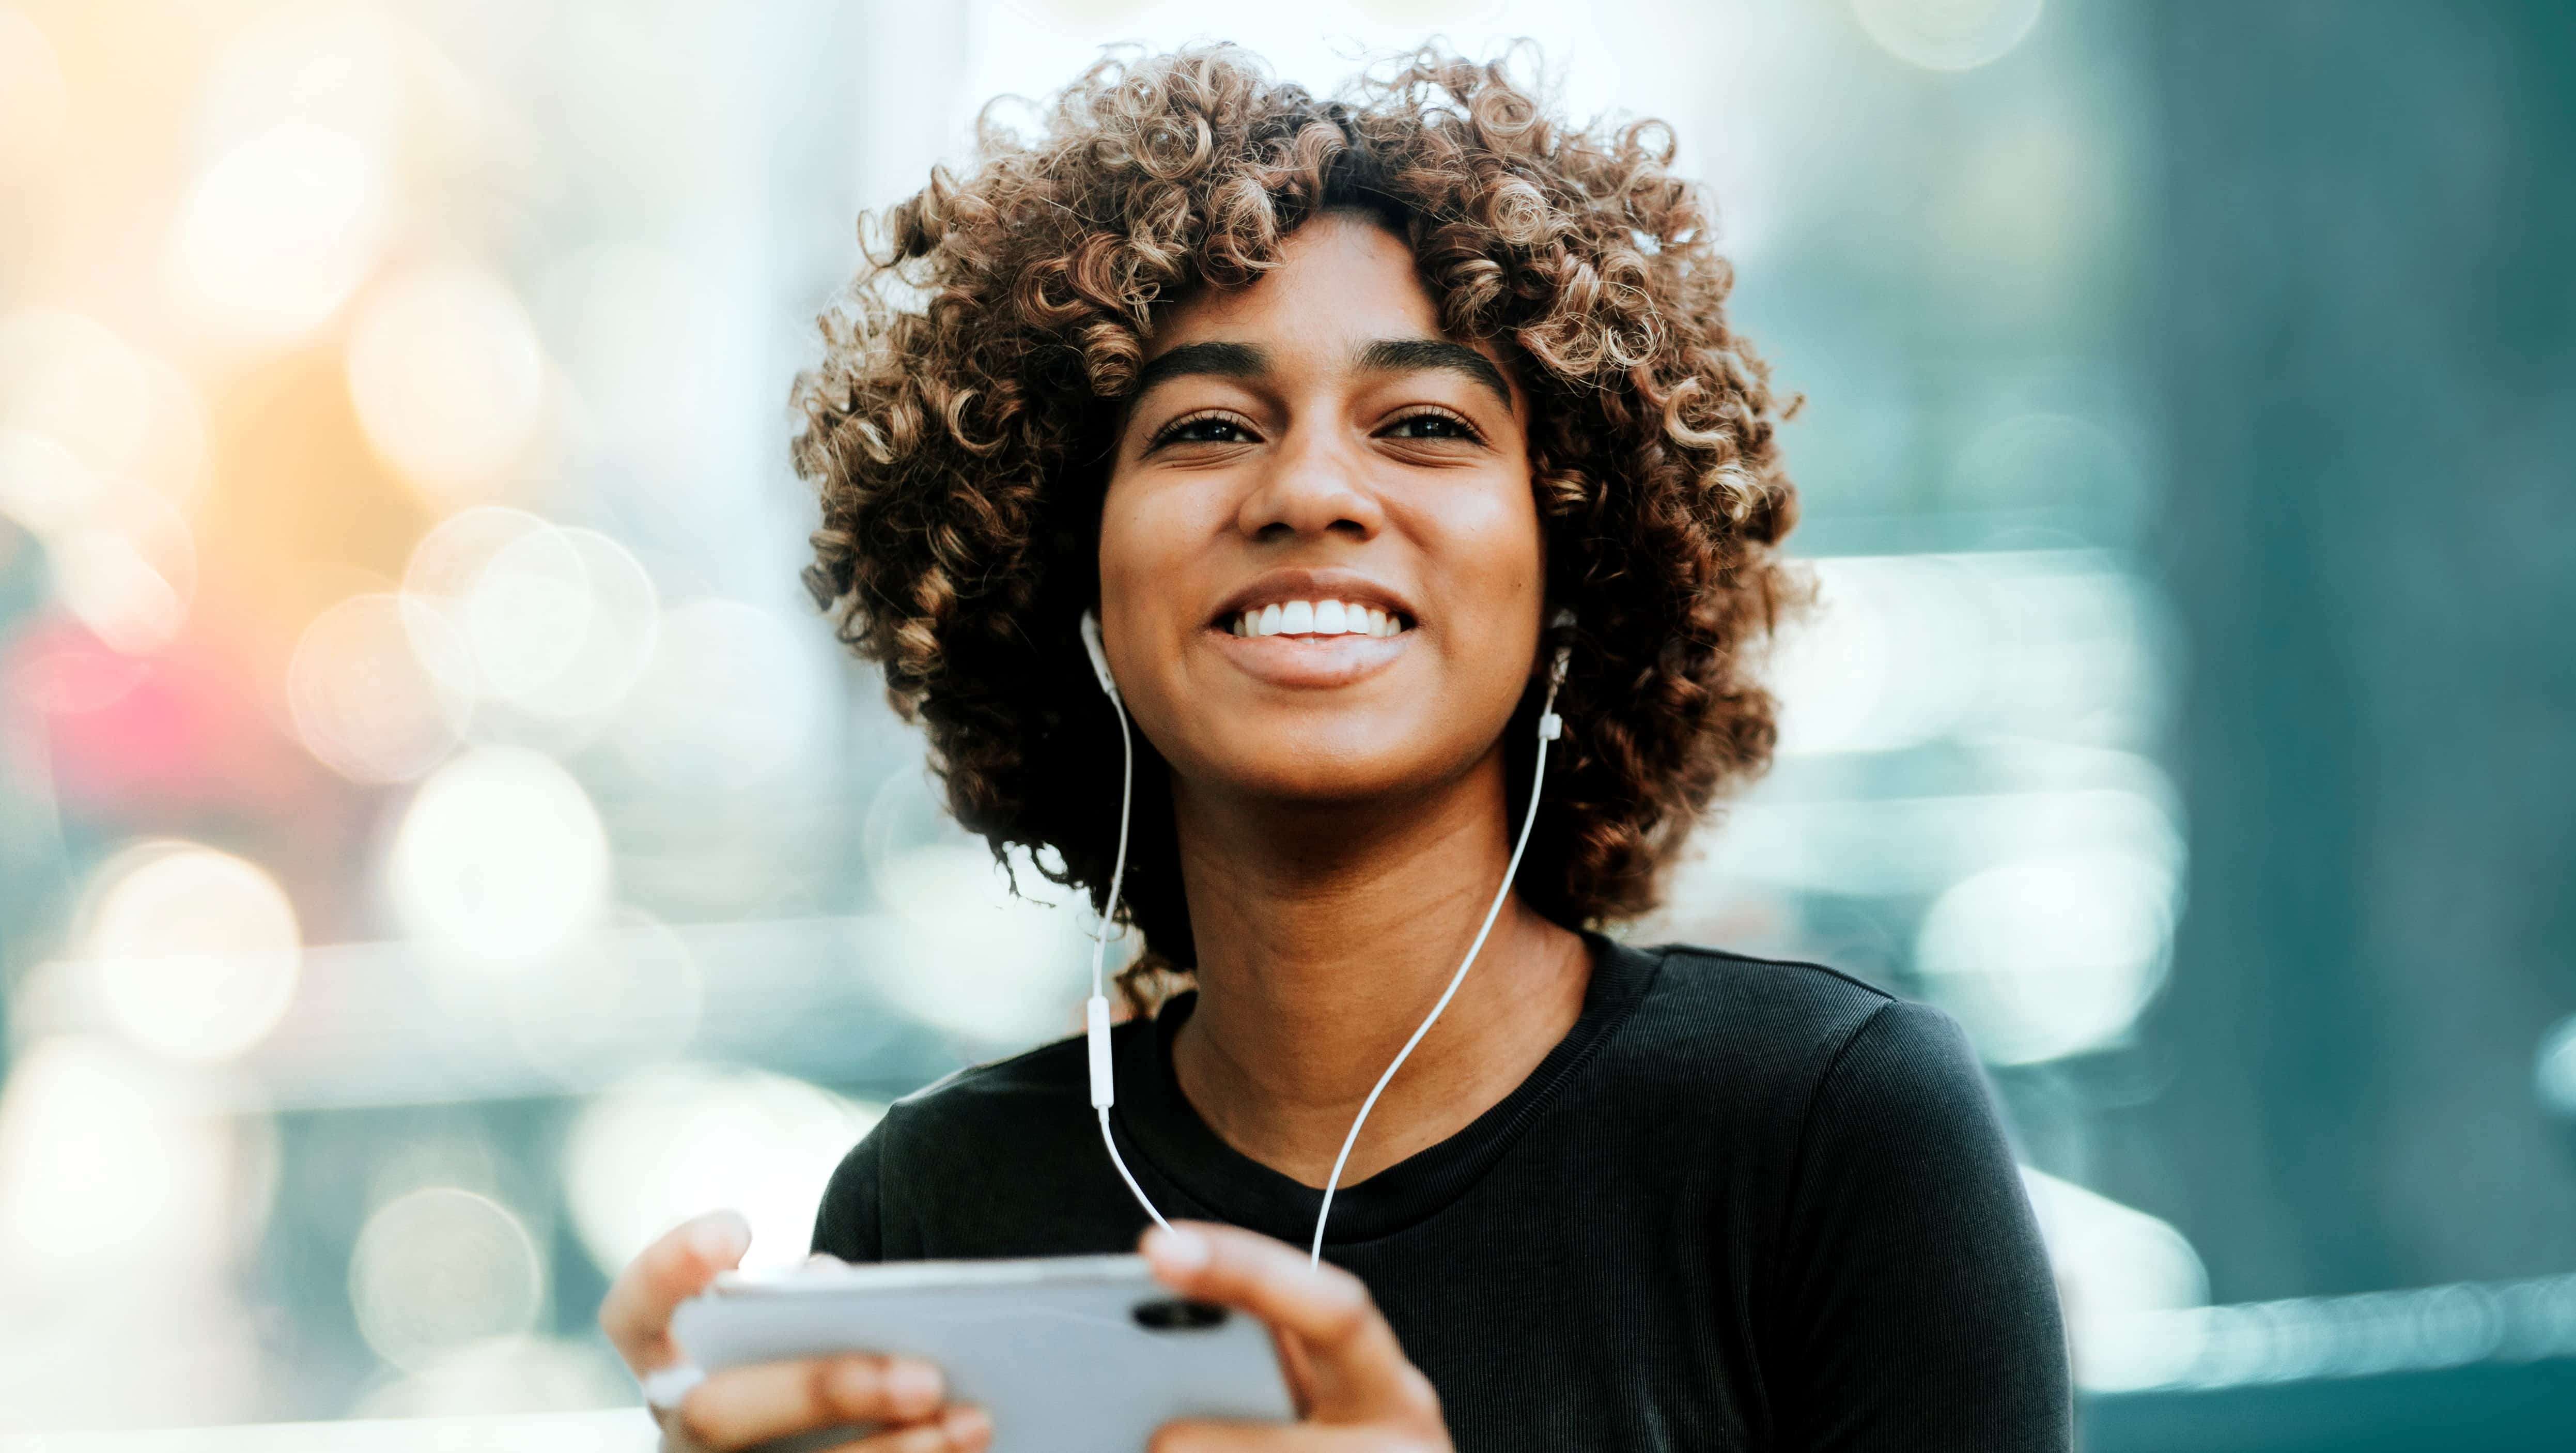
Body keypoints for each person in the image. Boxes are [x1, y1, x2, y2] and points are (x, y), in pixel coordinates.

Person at [601, 43, 2071, 1452]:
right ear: (1066, 574)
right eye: (1205, 430)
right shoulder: (931, 1206)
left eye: (1423, 421)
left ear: (1576, 563)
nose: (1309, 486)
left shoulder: (1828, 1131)